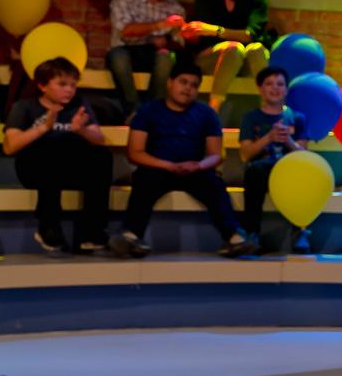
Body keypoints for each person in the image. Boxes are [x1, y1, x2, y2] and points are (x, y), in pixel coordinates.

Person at [110, 62, 256, 258]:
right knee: (144, 181)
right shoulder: (148, 111)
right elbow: (135, 153)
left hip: (194, 170)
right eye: (183, 82)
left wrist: (198, 165)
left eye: (194, 85)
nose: (188, 88)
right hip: (157, 168)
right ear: (170, 83)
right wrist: (168, 165)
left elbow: (215, 154)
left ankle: (233, 238)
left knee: (214, 184)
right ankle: (131, 236)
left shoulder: (206, 114)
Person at [3, 57, 116, 255]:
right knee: (50, 152)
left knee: (101, 157)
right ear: (42, 85)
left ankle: (91, 233)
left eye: (73, 85)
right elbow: (10, 147)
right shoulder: (24, 106)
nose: (69, 90)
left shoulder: (79, 105)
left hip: (68, 167)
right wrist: (43, 128)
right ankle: (49, 227)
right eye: (62, 84)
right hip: (34, 168)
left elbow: (98, 139)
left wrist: (81, 130)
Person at [180, 0, 274, 112]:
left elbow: (251, 35)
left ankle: (270, 109)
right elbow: (200, 41)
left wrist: (214, 30)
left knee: (257, 49)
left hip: (245, 60)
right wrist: (189, 33)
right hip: (212, 58)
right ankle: (213, 111)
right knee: (233, 48)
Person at [238, 66, 310, 253]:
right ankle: (252, 234)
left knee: (303, 175)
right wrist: (268, 138)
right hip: (261, 170)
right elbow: (245, 154)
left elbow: (303, 155)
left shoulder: (297, 118)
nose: (275, 88)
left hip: (290, 169)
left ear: (286, 89)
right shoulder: (250, 118)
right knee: (254, 172)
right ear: (260, 89)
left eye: (280, 84)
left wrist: (288, 140)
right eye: (269, 84)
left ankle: (299, 231)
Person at [106, 0, 186, 114]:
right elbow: (125, 31)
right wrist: (158, 26)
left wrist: (168, 41)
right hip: (125, 50)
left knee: (167, 58)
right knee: (118, 58)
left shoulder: (175, 8)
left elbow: (179, 43)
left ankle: (153, 111)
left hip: (155, 55)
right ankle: (133, 110)